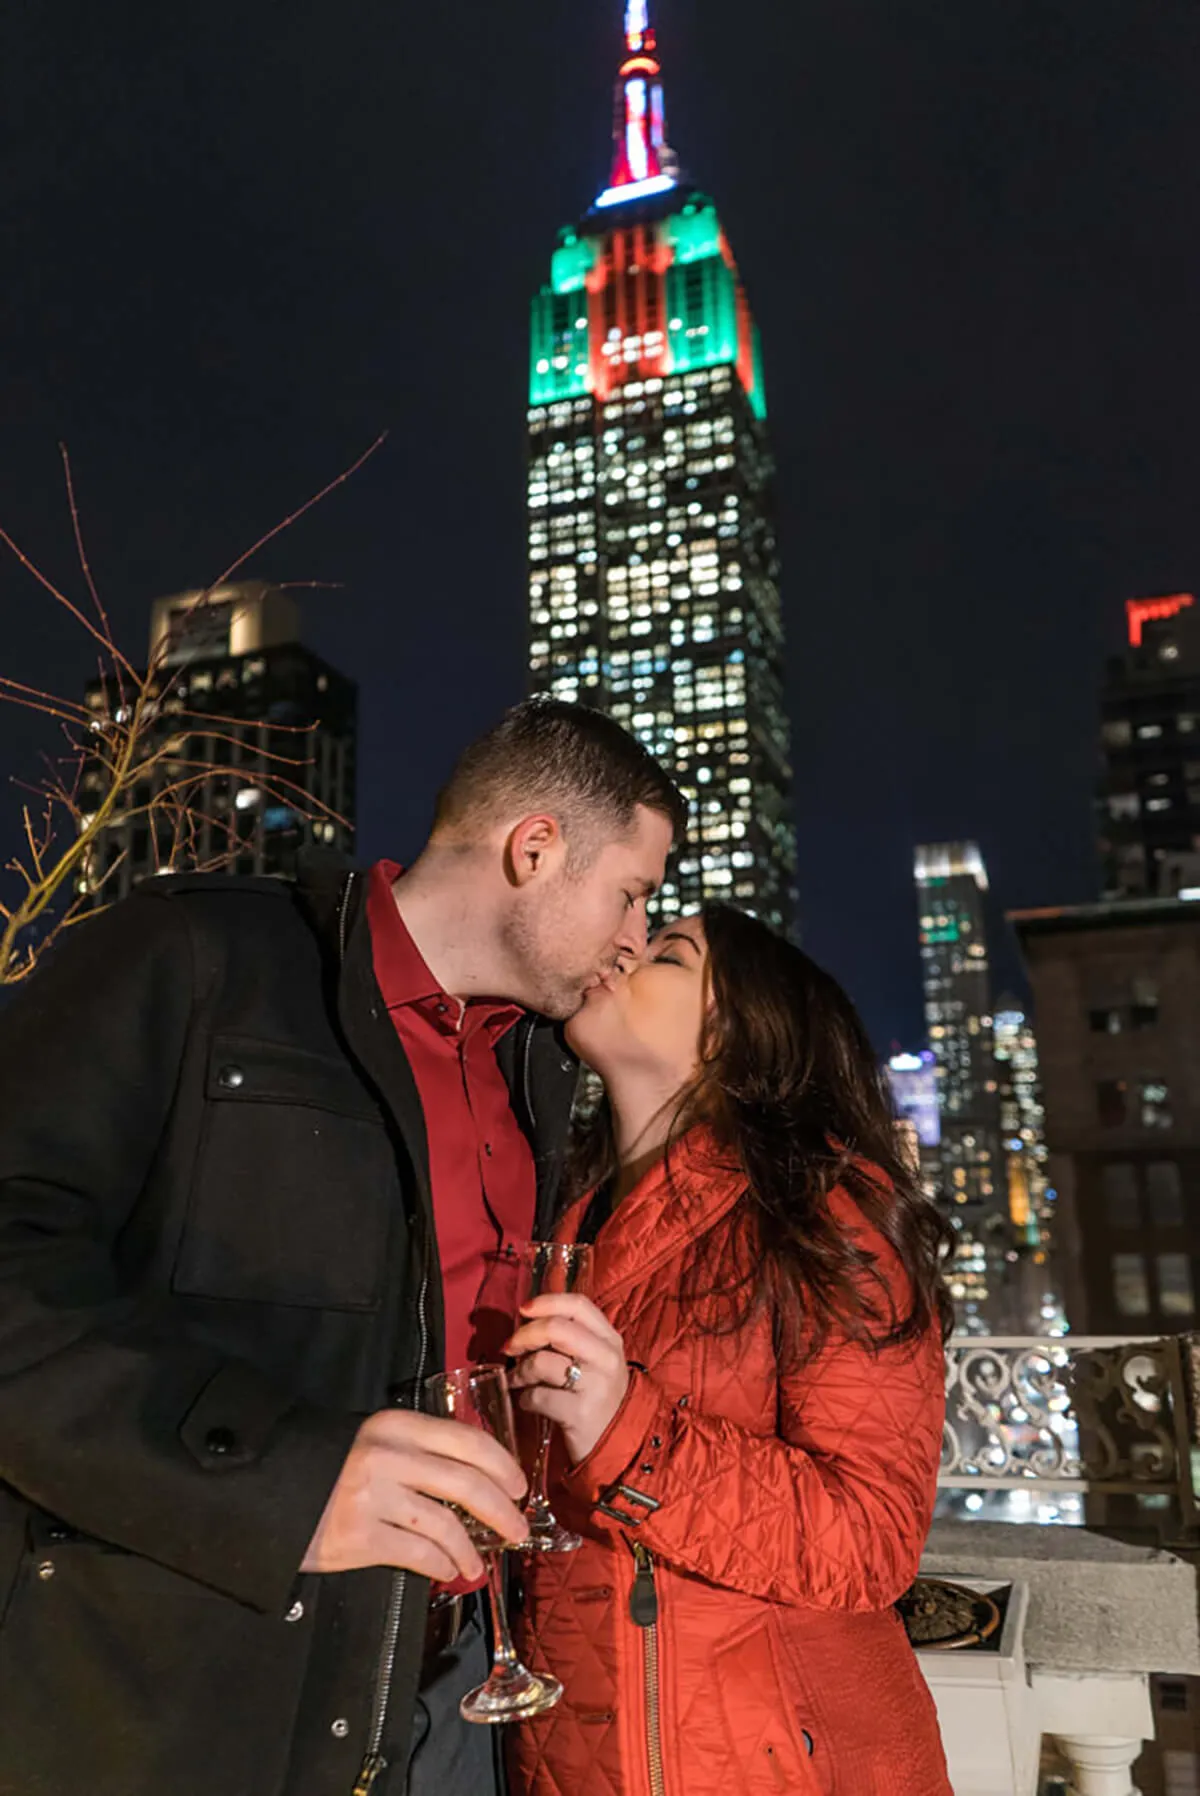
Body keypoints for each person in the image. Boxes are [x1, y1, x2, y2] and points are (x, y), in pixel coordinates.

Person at [0, 697, 685, 1796]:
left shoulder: (549, 1073)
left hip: (454, 1690)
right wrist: (279, 1477)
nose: (635, 938)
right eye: (632, 892)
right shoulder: (191, 956)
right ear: (536, 846)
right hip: (186, 1702)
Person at [506, 904, 956, 1796]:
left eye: (671, 954)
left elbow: (870, 1539)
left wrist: (630, 1434)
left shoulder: (822, 1214)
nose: (627, 948)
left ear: (738, 1034)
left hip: (777, 1766)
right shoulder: (556, 1224)